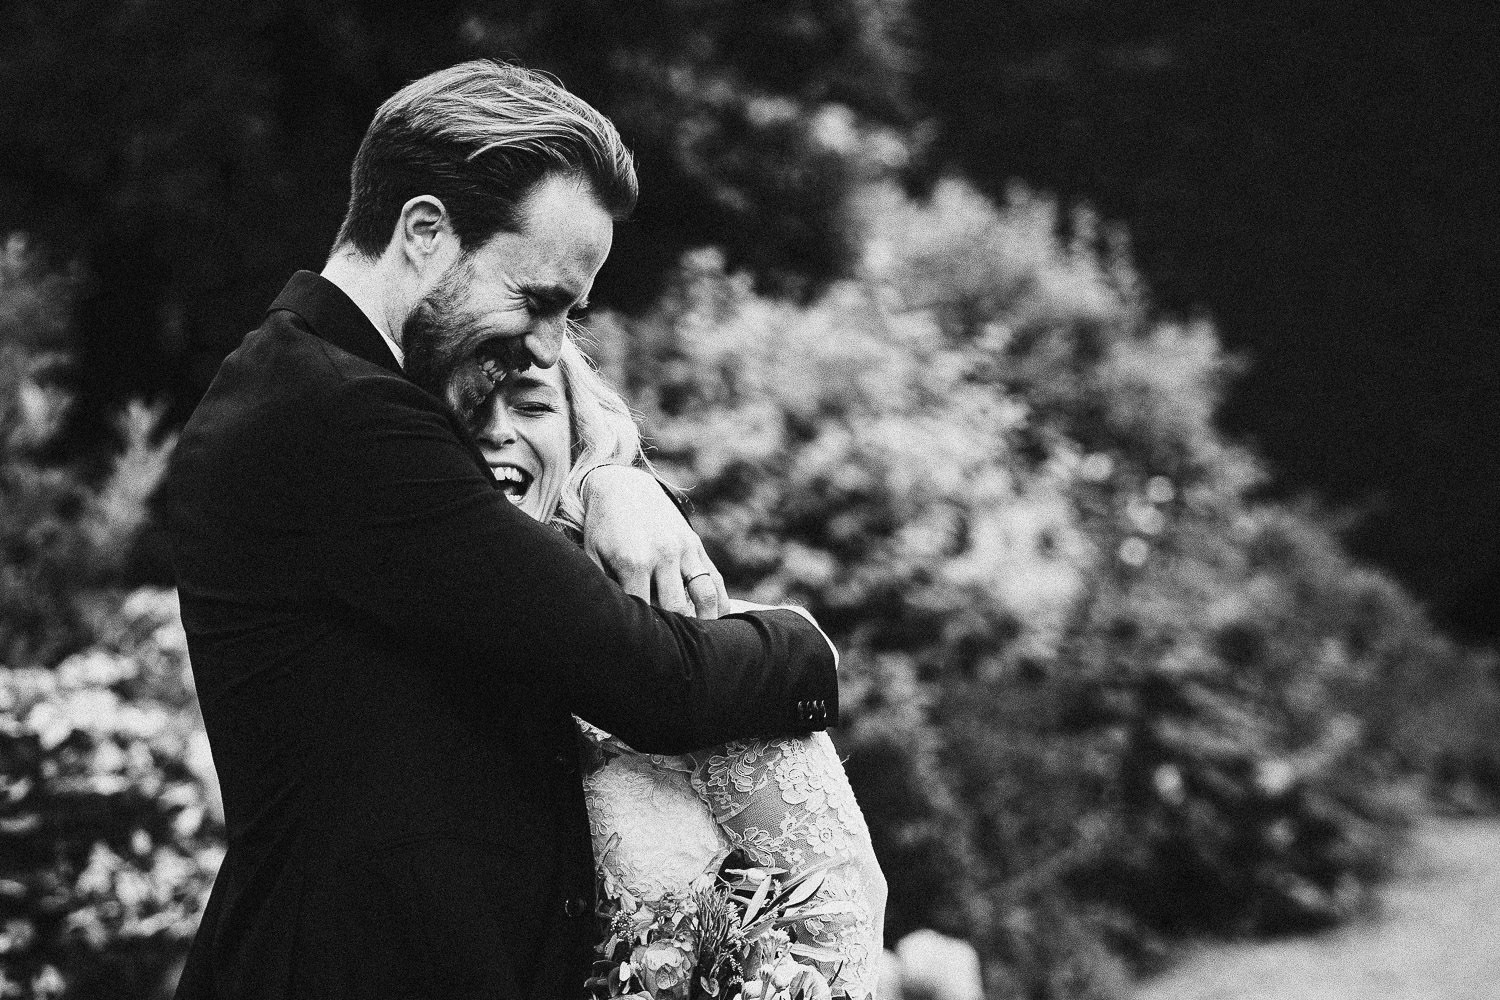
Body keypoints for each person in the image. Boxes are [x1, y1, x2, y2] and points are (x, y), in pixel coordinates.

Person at [165, 61, 839, 1000]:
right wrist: (807, 648)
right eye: (538, 301)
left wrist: (611, 474)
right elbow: (649, 678)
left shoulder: (339, 394)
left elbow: (541, 540)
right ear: (425, 233)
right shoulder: (336, 417)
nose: (552, 349)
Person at [472, 338, 887, 998]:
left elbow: (838, 919)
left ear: (579, 444)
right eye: (468, 409)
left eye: (531, 406)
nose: (496, 430)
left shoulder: (695, 648)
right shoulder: (425, 656)